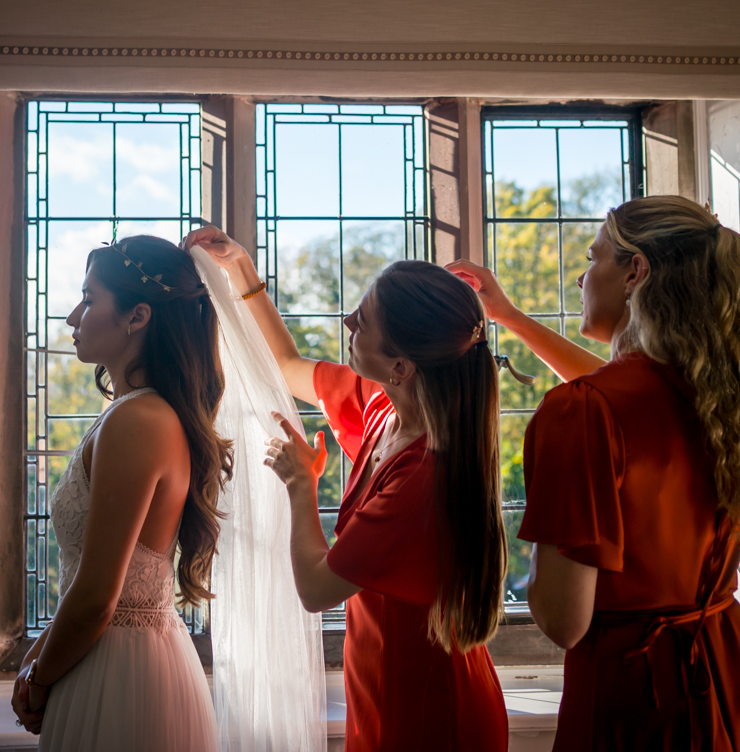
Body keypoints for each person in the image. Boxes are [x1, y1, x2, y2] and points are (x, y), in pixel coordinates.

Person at [450, 195, 740, 751]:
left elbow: (562, 620)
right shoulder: (725, 397)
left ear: (635, 272)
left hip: (640, 700)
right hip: (736, 680)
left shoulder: (583, 411)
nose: (581, 276)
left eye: (593, 257)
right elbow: (615, 391)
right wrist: (507, 315)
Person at [186, 225, 510, 752]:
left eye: (363, 321)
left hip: (429, 707)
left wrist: (300, 485)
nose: (347, 323)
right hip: (382, 683)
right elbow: (288, 367)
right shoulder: (385, 409)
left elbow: (316, 590)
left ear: (401, 366)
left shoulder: (421, 477)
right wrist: (241, 271)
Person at [10, 236, 229, 752]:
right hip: (113, 658)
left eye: (88, 299)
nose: (72, 317)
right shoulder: (134, 415)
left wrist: (38, 682)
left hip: (119, 673)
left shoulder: (138, 421)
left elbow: (97, 596)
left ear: (137, 317)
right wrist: (34, 660)